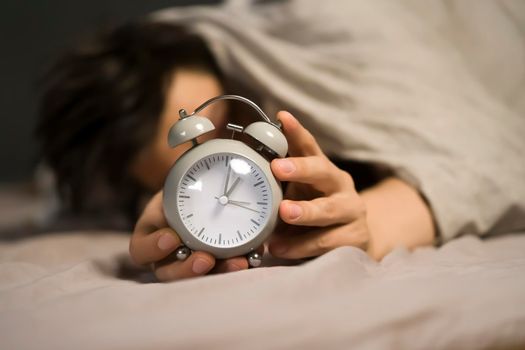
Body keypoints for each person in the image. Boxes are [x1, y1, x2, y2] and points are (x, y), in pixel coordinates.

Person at [37, 1, 525, 282]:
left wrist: (366, 226)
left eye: (225, 129)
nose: (226, 161)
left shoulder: (330, 30)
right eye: (187, 167)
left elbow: (485, 156)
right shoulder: (100, 152)